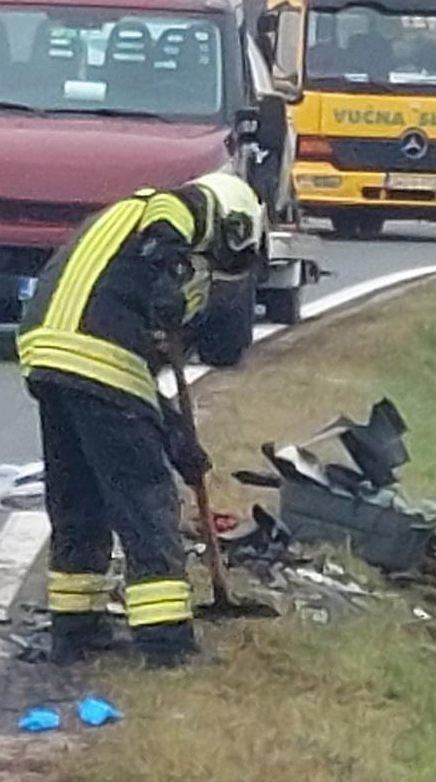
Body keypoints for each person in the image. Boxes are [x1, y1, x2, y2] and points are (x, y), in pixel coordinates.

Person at [16, 174, 263, 668]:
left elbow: (135, 384)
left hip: (47, 354)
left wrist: (176, 435)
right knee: (145, 501)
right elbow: (171, 213)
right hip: (98, 355)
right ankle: (166, 642)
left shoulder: (121, 239)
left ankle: (76, 629)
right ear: (233, 225)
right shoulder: (182, 210)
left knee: (78, 501)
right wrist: (171, 269)